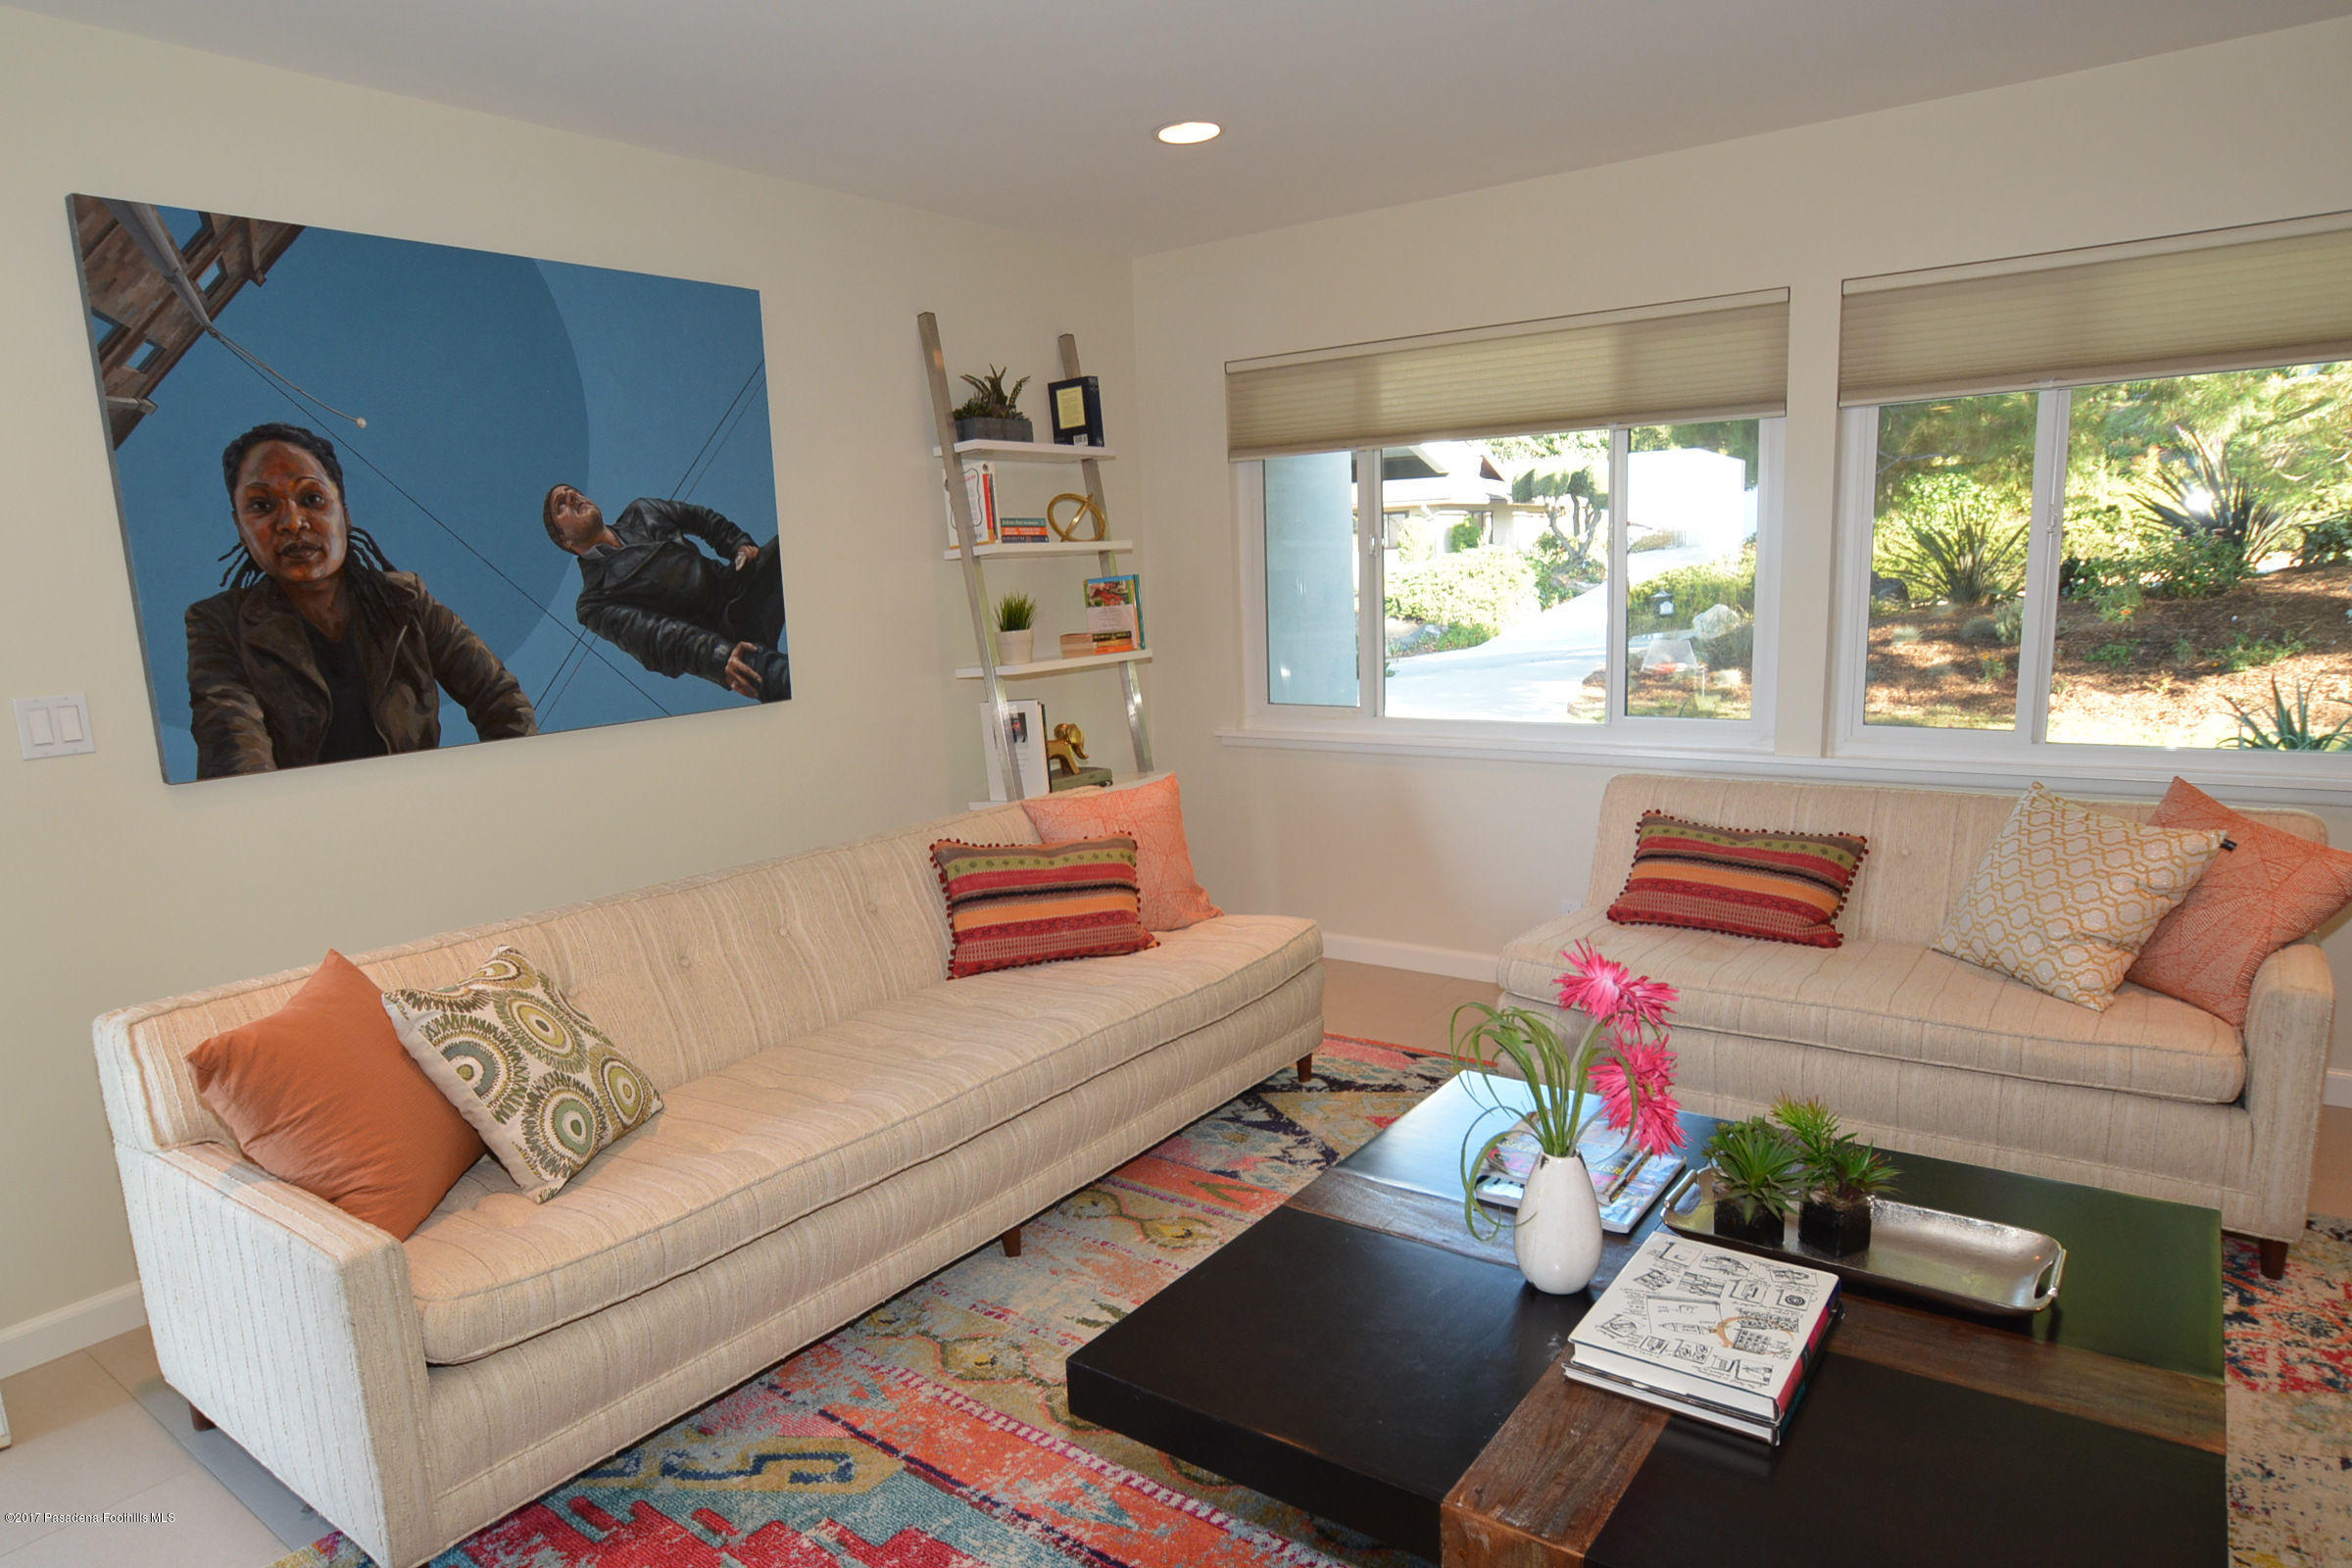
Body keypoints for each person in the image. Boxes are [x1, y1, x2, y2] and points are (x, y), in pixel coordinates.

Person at [187, 422, 538, 778]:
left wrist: (501, 792)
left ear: (344, 511)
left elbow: (501, 700)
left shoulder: (406, 601)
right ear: (240, 527)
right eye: (261, 505)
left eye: (312, 499)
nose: (292, 523)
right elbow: (231, 745)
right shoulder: (219, 625)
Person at [543, 485, 790, 702]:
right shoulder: (594, 601)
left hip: (737, 582)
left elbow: (701, 519)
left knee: (802, 541)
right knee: (784, 679)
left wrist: (737, 544)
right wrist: (718, 656)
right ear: (565, 541)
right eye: (561, 504)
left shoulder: (642, 511)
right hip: (722, 638)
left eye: (574, 492)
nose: (574, 498)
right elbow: (657, 637)